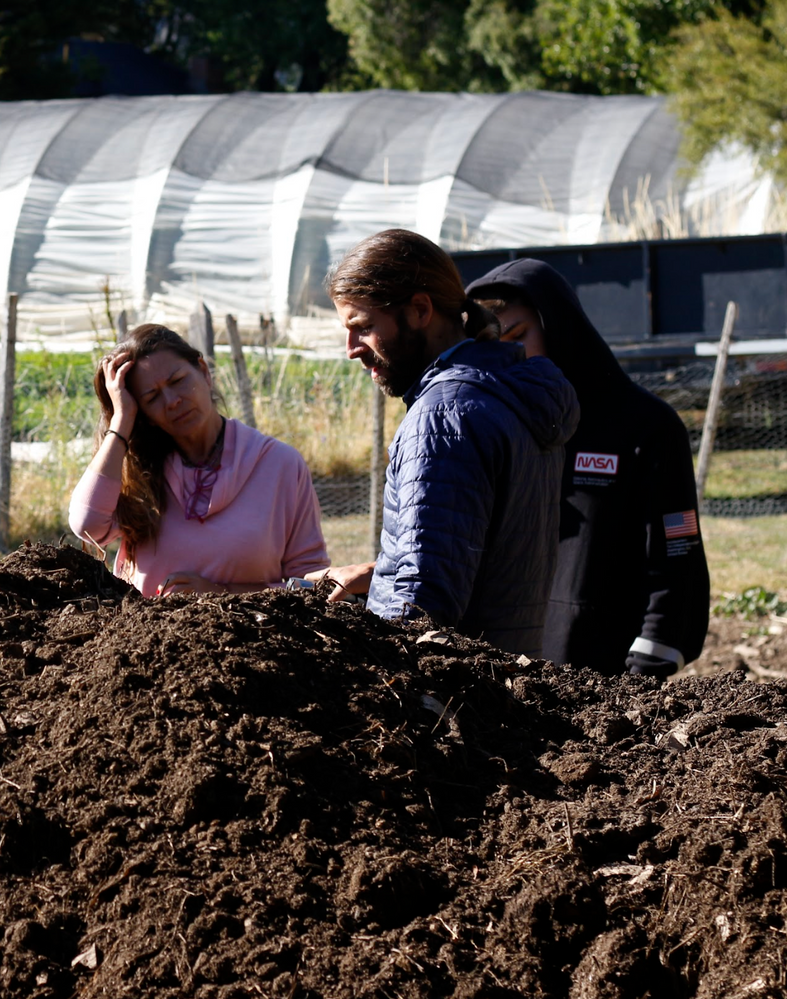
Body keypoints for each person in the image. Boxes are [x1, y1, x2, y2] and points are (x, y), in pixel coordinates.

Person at [307, 230, 580, 655]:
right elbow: (477, 562)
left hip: (447, 710)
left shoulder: (444, 417)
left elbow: (421, 606)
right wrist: (379, 576)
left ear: (420, 310)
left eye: (363, 327)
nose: (351, 349)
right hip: (501, 685)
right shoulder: (506, 395)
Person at [466, 258, 709, 677]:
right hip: (508, 675)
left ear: (558, 323)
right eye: (495, 342)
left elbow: (677, 550)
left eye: (521, 335)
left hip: (607, 678)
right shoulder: (495, 427)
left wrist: (655, 654)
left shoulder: (646, 425)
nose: (512, 354)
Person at [68, 323, 329, 597]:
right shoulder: (139, 472)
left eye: (178, 381)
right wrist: (121, 422)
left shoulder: (280, 465)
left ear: (204, 372)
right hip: (146, 637)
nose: (171, 401)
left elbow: (309, 585)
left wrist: (222, 594)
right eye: (152, 397)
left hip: (255, 636)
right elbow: (87, 527)